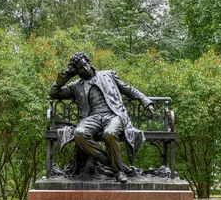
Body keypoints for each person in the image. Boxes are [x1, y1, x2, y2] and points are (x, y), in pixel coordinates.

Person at [49, 52, 154, 182]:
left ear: (89, 62)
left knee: (109, 134)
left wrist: (146, 102)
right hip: (93, 117)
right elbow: (54, 93)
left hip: (114, 114)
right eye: (81, 67)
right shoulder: (76, 86)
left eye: (86, 64)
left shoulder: (108, 74)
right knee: (79, 133)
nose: (86, 68)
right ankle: (115, 165)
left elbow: (128, 89)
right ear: (77, 71)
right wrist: (66, 77)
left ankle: (117, 171)